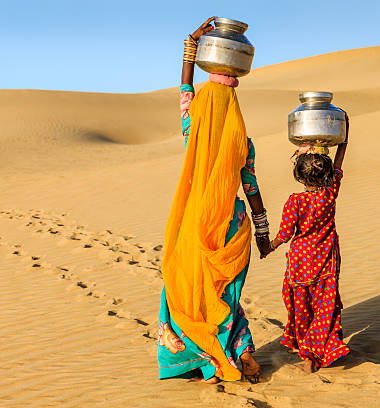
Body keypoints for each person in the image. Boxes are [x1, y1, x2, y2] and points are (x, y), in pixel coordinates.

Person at [157, 17, 272, 384]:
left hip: (195, 220)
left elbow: (186, 89)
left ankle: (206, 359)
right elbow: (251, 188)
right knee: (227, 295)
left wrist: (191, 45)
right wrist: (262, 231)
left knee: (185, 289)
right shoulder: (242, 141)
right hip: (232, 222)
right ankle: (242, 351)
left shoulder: (193, 125)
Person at [265, 125, 350, 374]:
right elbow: (339, 161)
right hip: (326, 262)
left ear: (300, 177)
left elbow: (285, 234)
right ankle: (322, 349)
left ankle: (306, 352)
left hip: (300, 264)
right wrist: (344, 135)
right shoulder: (329, 194)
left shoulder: (296, 201)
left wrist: (269, 246)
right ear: (326, 175)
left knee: (301, 307)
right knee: (325, 306)